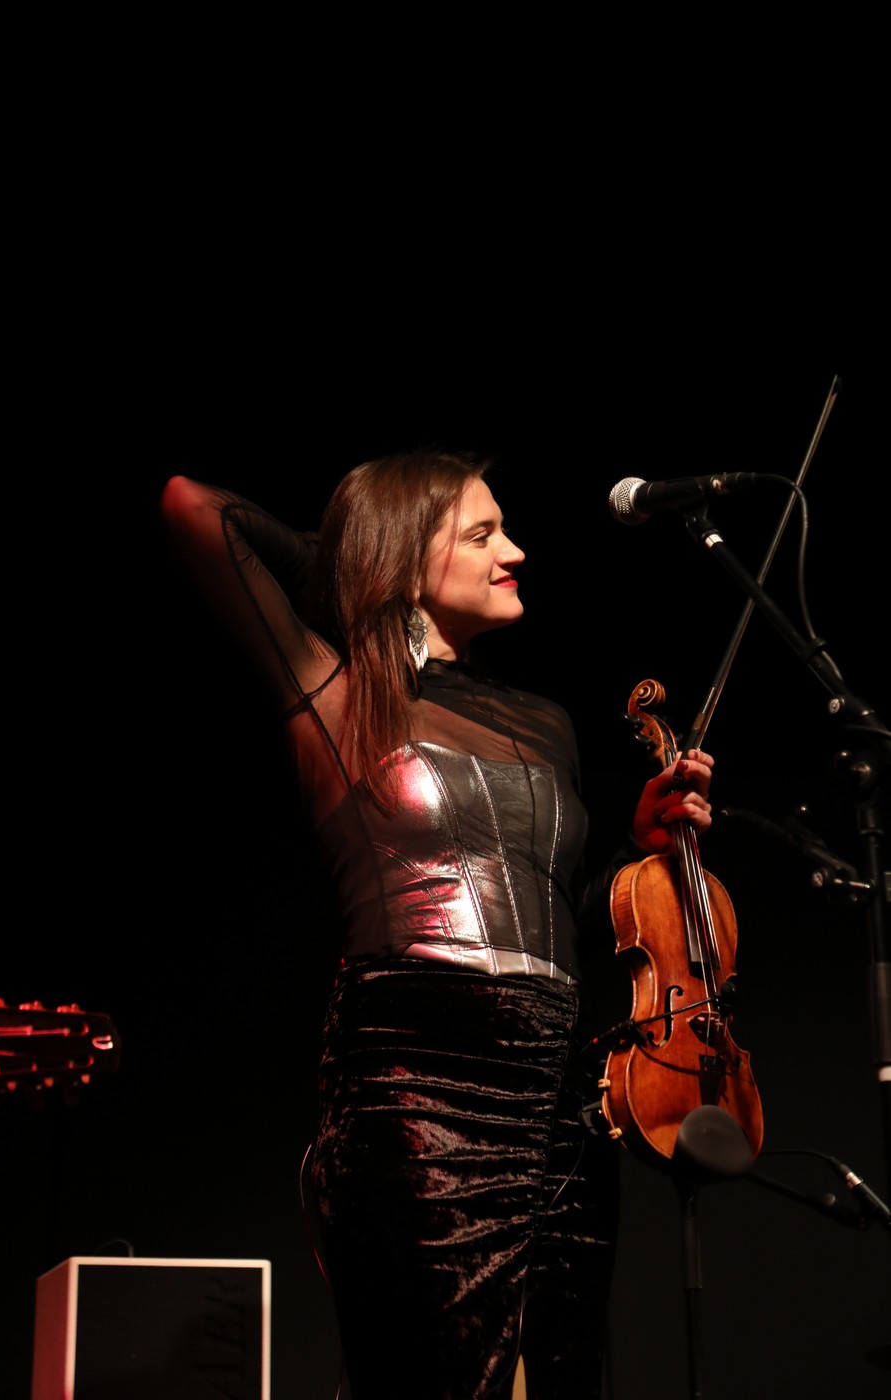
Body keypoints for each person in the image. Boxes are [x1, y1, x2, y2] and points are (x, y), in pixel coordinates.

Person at [159, 449, 714, 1400]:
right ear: (405, 553)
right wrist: (363, 564)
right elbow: (194, 507)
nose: (516, 552)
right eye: (481, 534)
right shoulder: (333, 688)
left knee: (568, 1372)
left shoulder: (545, 721)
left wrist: (637, 849)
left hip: (561, 1089)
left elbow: (560, 921)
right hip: (418, 1082)